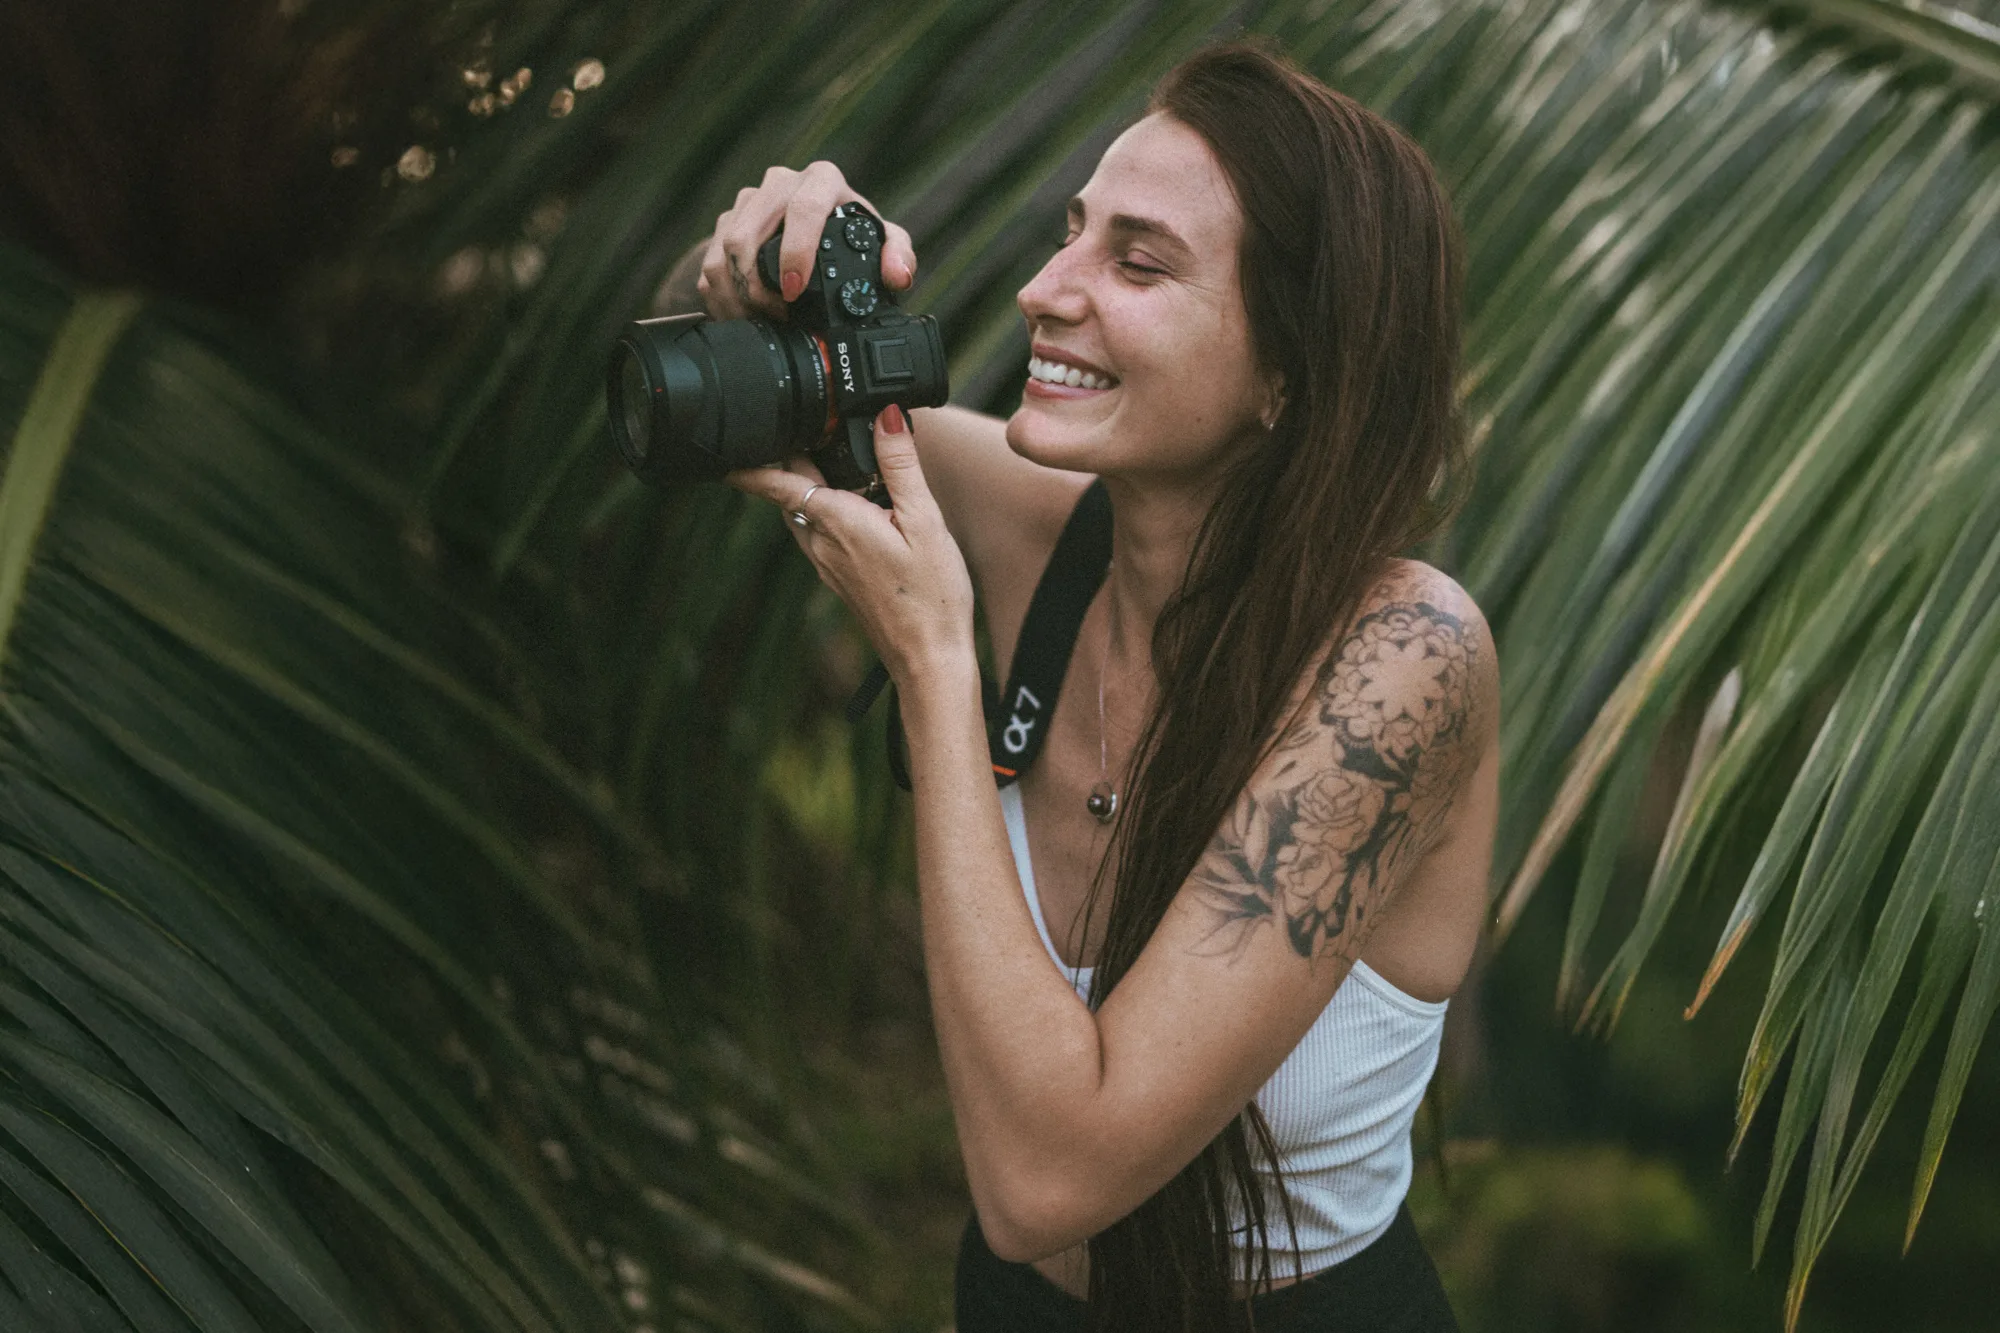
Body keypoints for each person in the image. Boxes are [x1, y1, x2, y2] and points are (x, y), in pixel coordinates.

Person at [683, 39, 1494, 1333]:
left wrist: (938, 667)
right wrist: (751, 261)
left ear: (1291, 370)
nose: (1043, 290)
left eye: (1139, 261)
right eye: (1072, 235)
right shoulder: (1034, 525)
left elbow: (1048, 1179)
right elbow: (698, 389)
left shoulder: (1405, 663)